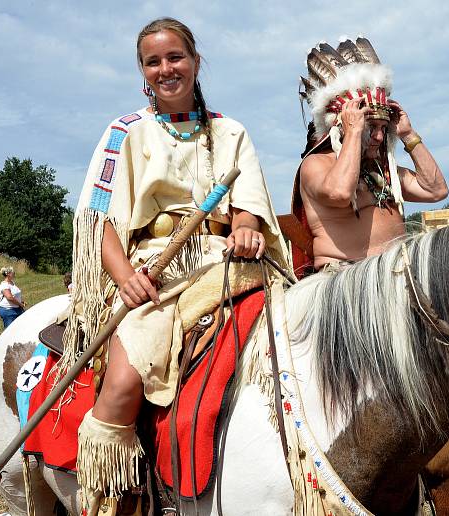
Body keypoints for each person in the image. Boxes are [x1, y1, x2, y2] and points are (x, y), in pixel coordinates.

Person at [62, 18, 289, 513]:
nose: (166, 69)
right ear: (143, 72)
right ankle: (108, 496)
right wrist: (125, 279)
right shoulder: (125, 133)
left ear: (195, 62)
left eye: (175, 57)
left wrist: (247, 227)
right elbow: (99, 223)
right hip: (151, 266)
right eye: (153, 61)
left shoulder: (230, 131)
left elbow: (247, 199)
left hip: (223, 261)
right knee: (123, 382)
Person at [291, 37, 448, 273]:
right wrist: (354, 131)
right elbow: (341, 192)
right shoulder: (315, 165)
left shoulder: (385, 171)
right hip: (341, 281)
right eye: (370, 127)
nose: (378, 137)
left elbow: (436, 190)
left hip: (395, 274)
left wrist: (407, 134)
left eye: (383, 129)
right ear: (342, 125)